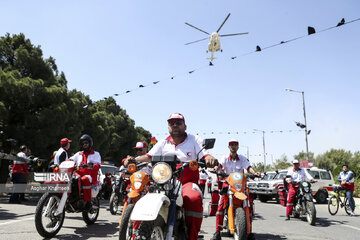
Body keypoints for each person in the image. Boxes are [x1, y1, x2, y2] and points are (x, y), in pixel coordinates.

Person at [126, 113, 218, 240]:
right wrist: (133, 159)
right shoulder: (163, 143)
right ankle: (136, 234)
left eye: (178, 122)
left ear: (185, 126)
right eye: (171, 123)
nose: (174, 125)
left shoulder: (194, 139)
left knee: (194, 198)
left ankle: (192, 236)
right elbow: (148, 156)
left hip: (187, 181)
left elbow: (205, 154)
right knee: (144, 198)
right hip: (163, 181)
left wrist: (209, 158)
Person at [211, 139, 259, 240]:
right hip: (228, 183)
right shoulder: (224, 158)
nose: (233, 146)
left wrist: (254, 172)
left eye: (235, 145)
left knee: (248, 207)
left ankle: (249, 232)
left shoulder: (242, 158)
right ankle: (217, 232)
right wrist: (215, 169)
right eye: (231, 145)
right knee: (220, 207)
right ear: (229, 147)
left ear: (238, 147)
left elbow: (248, 167)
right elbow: (219, 166)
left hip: (240, 185)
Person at [70, 134, 101, 211]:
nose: (84, 145)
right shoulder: (79, 154)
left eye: (86, 143)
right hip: (78, 173)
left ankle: (88, 202)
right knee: (69, 179)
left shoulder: (96, 154)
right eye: (83, 143)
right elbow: (71, 159)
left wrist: (92, 165)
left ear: (90, 143)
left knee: (85, 179)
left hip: (90, 175)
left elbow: (98, 165)